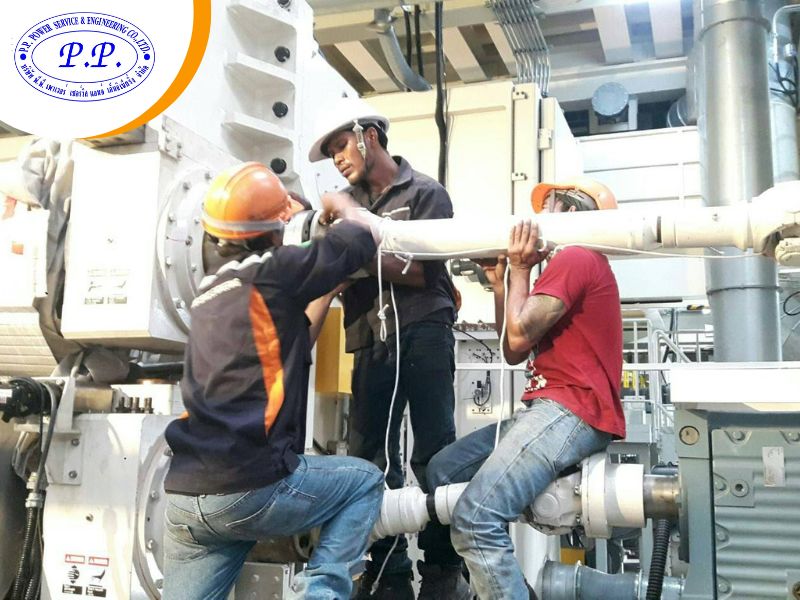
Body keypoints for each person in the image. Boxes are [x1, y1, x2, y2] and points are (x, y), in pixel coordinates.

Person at [161, 162, 385, 600]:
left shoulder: (209, 295)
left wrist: (325, 290)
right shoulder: (271, 272)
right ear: (275, 228)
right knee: (364, 481)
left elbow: (289, 339)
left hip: (186, 495)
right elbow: (359, 239)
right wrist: (342, 204)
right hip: (248, 487)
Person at [426, 178, 625, 600]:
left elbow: (517, 337)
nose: (536, 219)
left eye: (547, 207)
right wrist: (502, 283)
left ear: (572, 211)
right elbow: (513, 349)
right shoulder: (566, 266)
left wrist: (520, 269)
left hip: (570, 408)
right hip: (549, 408)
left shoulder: (577, 256)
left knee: (476, 519)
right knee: (444, 471)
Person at [308, 103, 468, 600]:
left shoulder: (424, 193)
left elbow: (422, 270)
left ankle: (442, 569)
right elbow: (330, 269)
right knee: (369, 456)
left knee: (435, 452)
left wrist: (354, 245)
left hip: (423, 327)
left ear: (369, 135)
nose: (338, 159)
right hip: (368, 337)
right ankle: (386, 570)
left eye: (341, 145)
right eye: (331, 152)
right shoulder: (343, 206)